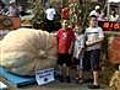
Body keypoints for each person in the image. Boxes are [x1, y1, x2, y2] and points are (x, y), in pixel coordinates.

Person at [85, 15, 104, 89]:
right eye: (93, 20)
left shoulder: (99, 29)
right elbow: (85, 39)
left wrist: (92, 42)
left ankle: (96, 83)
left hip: (95, 49)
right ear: (89, 21)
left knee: (94, 65)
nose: (94, 22)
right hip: (88, 49)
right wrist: (86, 43)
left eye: (95, 20)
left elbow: (101, 39)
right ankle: (92, 79)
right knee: (90, 65)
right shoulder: (87, 30)